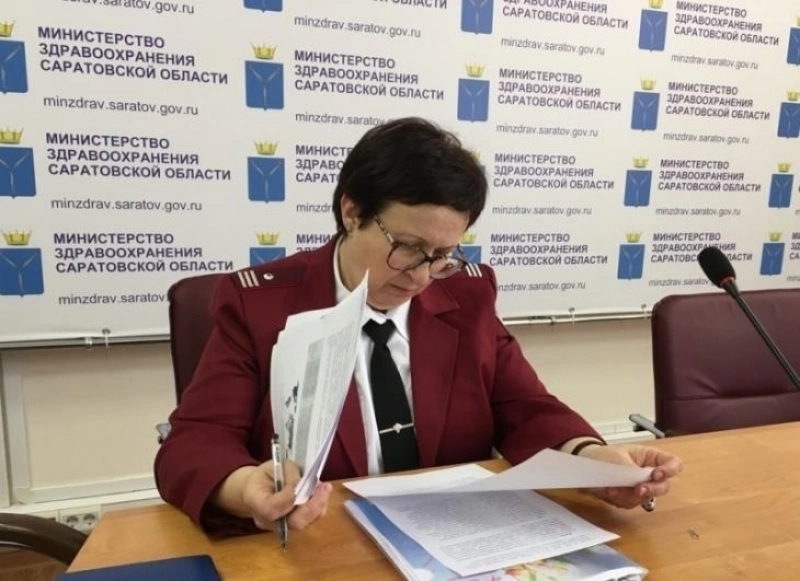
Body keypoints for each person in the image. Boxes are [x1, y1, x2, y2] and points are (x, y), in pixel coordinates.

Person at [154, 117, 682, 538]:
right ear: (352, 212)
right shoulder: (260, 306)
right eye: (408, 248)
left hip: (456, 542)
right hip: (325, 548)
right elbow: (194, 443)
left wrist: (592, 461)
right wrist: (244, 488)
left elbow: (523, 407)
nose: (422, 276)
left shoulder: (467, 295)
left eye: (443, 254)